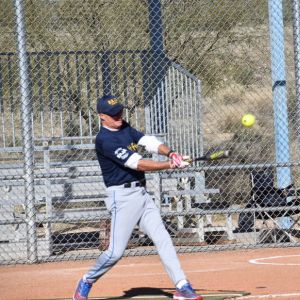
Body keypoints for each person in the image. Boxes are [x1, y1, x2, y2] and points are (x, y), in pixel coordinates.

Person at [73, 95, 203, 300]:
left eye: (120, 112)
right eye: (113, 114)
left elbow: (148, 141)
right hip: (122, 197)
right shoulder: (104, 140)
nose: (118, 116)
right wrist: (171, 165)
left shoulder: (125, 127)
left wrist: (172, 154)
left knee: (163, 239)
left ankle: (182, 286)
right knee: (115, 253)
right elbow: (138, 163)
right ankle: (87, 279)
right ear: (101, 117)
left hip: (141, 194)